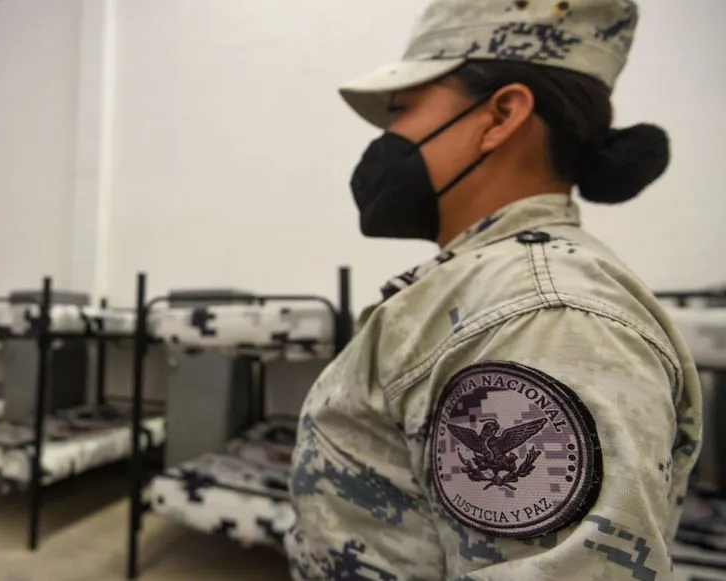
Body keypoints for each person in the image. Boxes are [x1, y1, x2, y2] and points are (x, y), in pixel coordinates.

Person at [287, 0, 704, 579]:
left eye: (401, 110)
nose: (385, 140)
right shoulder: (488, 291)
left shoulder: (538, 316)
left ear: (501, 115)